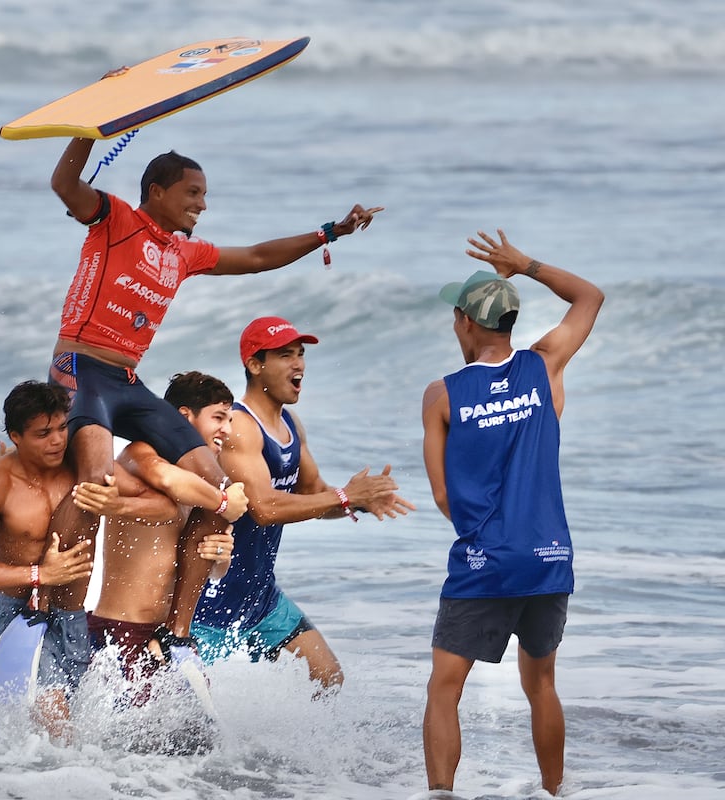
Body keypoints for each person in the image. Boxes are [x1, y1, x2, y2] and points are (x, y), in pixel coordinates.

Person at [45, 138, 384, 659]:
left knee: (220, 488)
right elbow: (64, 185)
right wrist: (88, 130)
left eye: (205, 195)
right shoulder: (113, 219)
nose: (202, 204)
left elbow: (255, 257)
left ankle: (178, 631)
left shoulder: (184, 253)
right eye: (193, 193)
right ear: (156, 192)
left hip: (127, 381)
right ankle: (53, 614)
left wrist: (329, 232)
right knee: (95, 483)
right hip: (80, 369)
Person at [420, 230, 603, 796]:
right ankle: (554, 791)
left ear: (468, 324)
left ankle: (442, 796)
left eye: (457, 319)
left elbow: (444, 496)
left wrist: (484, 542)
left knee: (444, 689)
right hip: (549, 558)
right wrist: (526, 265)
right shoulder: (545, 369)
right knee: (541, 684)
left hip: (486, 561)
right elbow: (589, 298)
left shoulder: (443, 394)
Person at [192, 316, 415, 691]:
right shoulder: (240, 426)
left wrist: (358, 503)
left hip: (260, 596)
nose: (298, 365)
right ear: (255, 364)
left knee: (328, 679)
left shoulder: (291, 424)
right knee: (199, 727)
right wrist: (346, 496)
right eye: (285, 355)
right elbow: (262, 508)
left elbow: (313, 495)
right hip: (213, 600)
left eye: (300, 354)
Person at [0, 381, 175, 740]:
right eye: (43, 434)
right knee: (60, 732)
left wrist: (118, 505)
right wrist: (41, 573)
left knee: (75, 729)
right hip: (23, 617)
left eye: (61, 428)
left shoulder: (83, 468)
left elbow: (164, 507)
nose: (57, 441)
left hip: (73, 617)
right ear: (16, 436)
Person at [88, 371, 245, 680]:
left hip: (169, 635)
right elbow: (166, 479)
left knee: (199, 730)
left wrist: (222, 555)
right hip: (120, 631)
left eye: (230, 422)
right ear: (184, 417)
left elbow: (214, 573)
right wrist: (225, 501)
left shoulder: (205, 483)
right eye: (219, 418)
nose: (226, 430)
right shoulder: (140, 454)